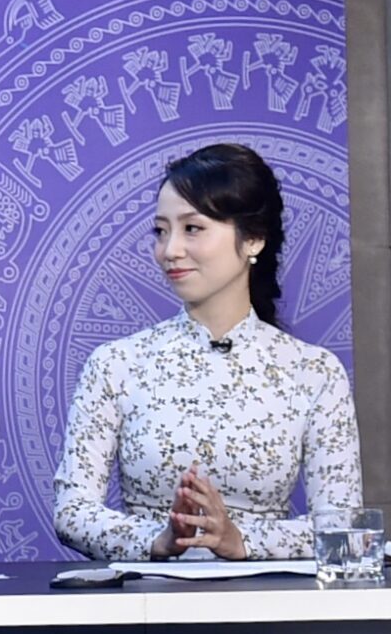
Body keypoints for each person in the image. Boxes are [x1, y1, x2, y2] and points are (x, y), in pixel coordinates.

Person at [54, 143, 359, 560]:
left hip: (269, 598)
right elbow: (72, 512)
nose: (170, 250)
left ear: (253, 239)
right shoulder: (116, 364)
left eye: (192, 228)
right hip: (148, 596)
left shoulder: (314, 371)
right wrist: (159, 539)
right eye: (161, 231)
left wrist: (241, 540)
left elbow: (343, 527)